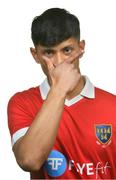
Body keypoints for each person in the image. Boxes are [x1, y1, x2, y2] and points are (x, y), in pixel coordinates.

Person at [7, 8, 116, 179]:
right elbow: (29, 160)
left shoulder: (113, 106)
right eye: (49, 52)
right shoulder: (22, 103)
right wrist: (59, 90)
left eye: (67, 50)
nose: (59, 62)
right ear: (35, 55)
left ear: (81, 48)